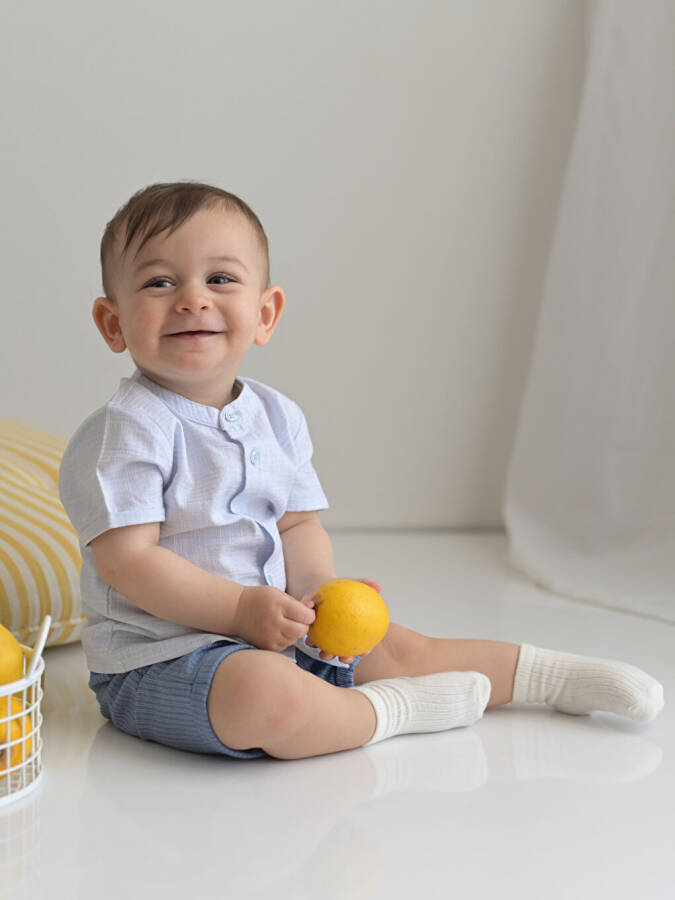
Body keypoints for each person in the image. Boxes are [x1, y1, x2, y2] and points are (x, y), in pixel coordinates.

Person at [59, 181, 664, 761]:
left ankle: (553, 677)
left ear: (265, 313)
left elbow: (297, 526)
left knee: (398, 645)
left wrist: (317, 587)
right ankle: (391, 712)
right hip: (162, 661)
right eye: (160, 282)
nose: (193, 298)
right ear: (114, 323)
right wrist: (241, 611)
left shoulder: (276, 414)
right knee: (266, 694)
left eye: (220, 278)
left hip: (275, 629)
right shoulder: (125, 429)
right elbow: (128, 562)